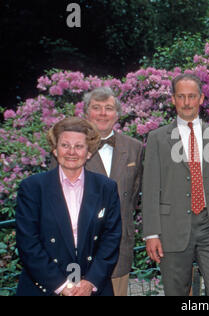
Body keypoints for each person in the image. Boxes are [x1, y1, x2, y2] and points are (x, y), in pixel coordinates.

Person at [142, 73, 209, 296]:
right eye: (181, 96)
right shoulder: (157, 138)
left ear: (202, 98)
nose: (186, 102)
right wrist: (151, 234)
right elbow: (150, 188)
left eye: (192, 96)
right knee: (176, 292)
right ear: (173, 99)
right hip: (171, 227)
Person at [50, 87, 144, 296]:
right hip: (77, 253)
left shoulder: (135, 148)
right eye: (97, 108)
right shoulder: (70, 150)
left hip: (119, 249)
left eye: (109, 108)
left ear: (117, 114)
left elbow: (133, 196)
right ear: (86, 113)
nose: (103, 113)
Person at [15, 117, 122, 296]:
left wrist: (90, 282)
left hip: (92, 287)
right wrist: (61, 285)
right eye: (65, 145)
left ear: (89, 152)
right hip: (44, 286)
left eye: (79, 146)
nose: (71, 152)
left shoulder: (106, 187)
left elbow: (111, 238)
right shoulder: (32, 188)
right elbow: (28, 243)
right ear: (55, 149)